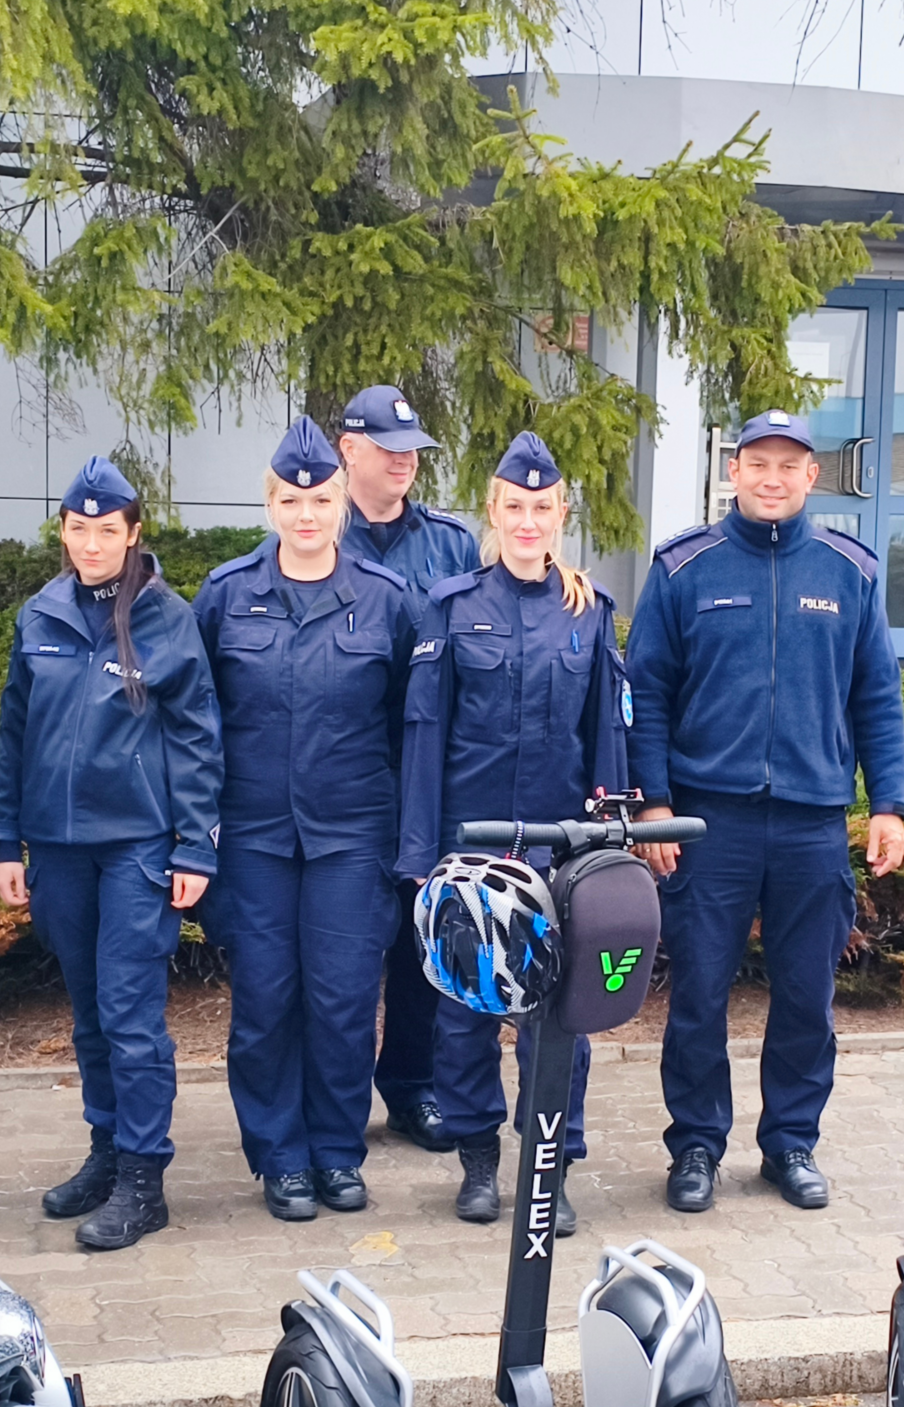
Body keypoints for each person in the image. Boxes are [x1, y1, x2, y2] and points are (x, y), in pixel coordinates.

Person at [625, 410, 904, 1215]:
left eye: (790, 465)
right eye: (759, 463)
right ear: (735, 470)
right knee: (699, 995)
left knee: (804, 997)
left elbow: (877, 698)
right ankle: (696, 1147)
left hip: (813, 823)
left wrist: (888, 802)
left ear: (812, 477)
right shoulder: (686, 569)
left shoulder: (850, 572)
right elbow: (646, 691)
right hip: (709, 824)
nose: (774, 478)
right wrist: (653, 802)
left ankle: (790, 1142)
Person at [0, 458, 224, 1253]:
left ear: (133, 535)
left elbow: (197, 740)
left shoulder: (167, 620)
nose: (92, 543)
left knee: (130, 1017)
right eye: (79, 529)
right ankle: (103, 1152)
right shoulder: (40, 615)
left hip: (137, 847)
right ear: (63, 531)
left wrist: (195, 844)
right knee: (89, 1014)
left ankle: (143, 1178)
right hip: (58, 851)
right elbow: (14, 737)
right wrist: (4, 842)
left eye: (108, 531)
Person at [398, 431, 629, 1227]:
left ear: (560, 514)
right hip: (470, 848)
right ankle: (476, 1161)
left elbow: (606, 735)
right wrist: (421, 858)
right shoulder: (454, 607)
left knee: (558, 1019)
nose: (528, 522)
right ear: (492, 512)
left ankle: (550, 1166)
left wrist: (606, 845)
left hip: (559, 848)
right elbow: (425, 734)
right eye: (514, 508)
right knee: (464, 1012)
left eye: (542, 508)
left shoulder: (587, 611)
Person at [193, 418, 416, 1221]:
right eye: (291, 499)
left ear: (340, 503)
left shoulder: (387, 603)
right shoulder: (225, 596)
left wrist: (408, 843)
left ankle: (335, 1150)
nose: (307, 514)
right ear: (271, 504)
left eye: (320, 498)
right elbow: (197, 724)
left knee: (344, 1001)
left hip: (352, 837)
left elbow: (408, 730)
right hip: (253, 836)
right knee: (264, 1002)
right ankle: (280, 1156)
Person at [336, 383, 482, 1153]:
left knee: (427, 943)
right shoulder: (321, 533)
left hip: (433, 771)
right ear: (348, 450)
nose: (403, 462)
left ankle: (413, 1086)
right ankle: (335, 1096)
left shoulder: (452, 544)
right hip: (350, 774)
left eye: (412, 451)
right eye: (387, 449)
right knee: (353, 949)